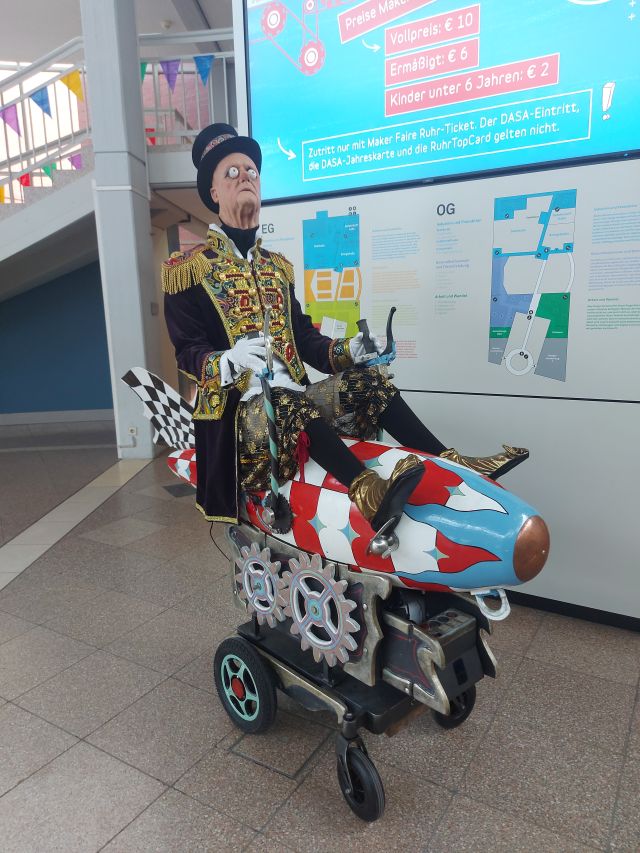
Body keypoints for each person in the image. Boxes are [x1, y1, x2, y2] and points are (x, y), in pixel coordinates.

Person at [163, 123, 527, 534]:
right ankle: (368, 491)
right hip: (239, 419)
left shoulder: (276, 267)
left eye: (251, 170)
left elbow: (306, 342)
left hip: (295, 401)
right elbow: (187, 352)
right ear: (213, 192)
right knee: (284, 401)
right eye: (232, 172)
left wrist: (352, 349)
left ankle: (452, 463)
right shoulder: (187, 270)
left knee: (368, 382)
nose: (245, 176)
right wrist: (228, 360)